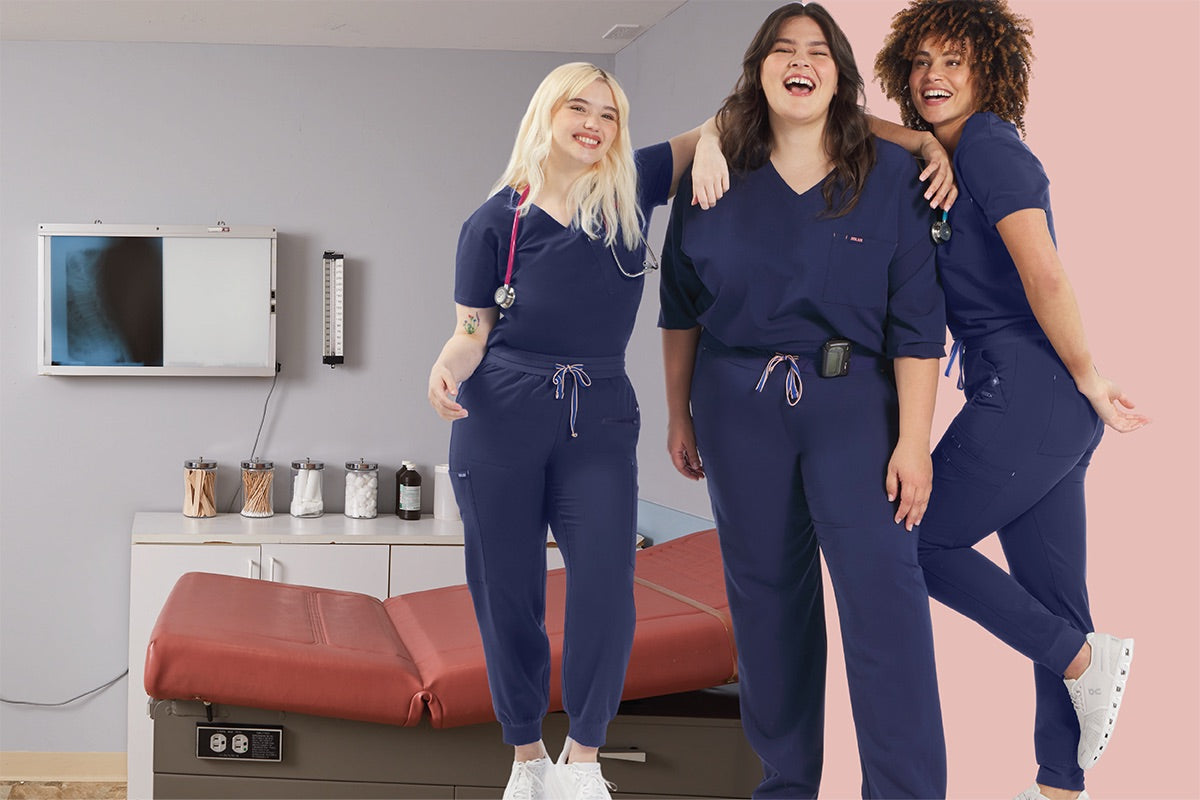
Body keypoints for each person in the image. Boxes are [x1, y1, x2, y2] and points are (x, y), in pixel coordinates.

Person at [660, 4, 949, 797]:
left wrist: (915, 440)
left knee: (884, 605)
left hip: (855, 406)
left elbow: (920, 326)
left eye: (818, 51)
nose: (800, 60)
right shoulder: (712, 177)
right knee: (766, 608)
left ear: (839, 77)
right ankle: (786, 785)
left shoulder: (892, 178)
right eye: (783, 49)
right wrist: (678, 413)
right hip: (736, 406)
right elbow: (680, 306)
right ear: (760, 72)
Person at [427, 62, 725, 800]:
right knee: (508, 590)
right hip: (499, 415)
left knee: (604, 585)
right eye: (578, 108)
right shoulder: (495, 221)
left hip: (597, 415)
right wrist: (446, 361)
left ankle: (583, 760)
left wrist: (711, 147)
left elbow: (725, 120)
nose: (594, 124)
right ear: (546, 115)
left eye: (610, 113)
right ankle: (527, 756)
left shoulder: (632, 190)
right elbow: (472, 331)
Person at [873, 2, 1148, 798]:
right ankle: (1058, 784)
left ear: (989, 70)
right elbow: (847, 118)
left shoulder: (991, 149)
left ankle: (1085, 660)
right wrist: (922, 138)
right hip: (1039, 402)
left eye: (954, 61)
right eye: (921, 63)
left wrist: (1091, 376)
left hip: (1031, 390)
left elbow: (1045, 272)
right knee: (1053, 600)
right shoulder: (944, 151)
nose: (934, 77)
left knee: (916, 543)